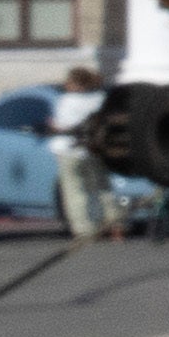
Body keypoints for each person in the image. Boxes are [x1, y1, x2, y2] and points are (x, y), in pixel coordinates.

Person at [43, 62, 118, 242]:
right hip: (95, 150)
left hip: (70, 151)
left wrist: (52, 125)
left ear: (73, 83)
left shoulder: (67, 101)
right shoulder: (100, 98)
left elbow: (63, 126)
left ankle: (85, 230)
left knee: (75, 192)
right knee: (102, 188)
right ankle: (116, 225)